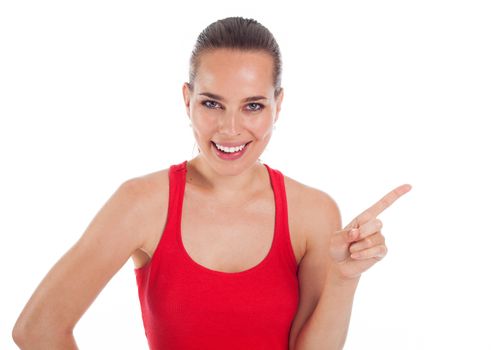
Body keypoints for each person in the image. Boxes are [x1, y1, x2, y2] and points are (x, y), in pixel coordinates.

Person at [12, 16, 411, 350]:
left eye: (253, 106)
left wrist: (345, 279)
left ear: (278, 105)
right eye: (211, 103)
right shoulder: (142, 203)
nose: (230, 128)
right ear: (187, 100)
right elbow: (38, 329)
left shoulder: (313, 212)